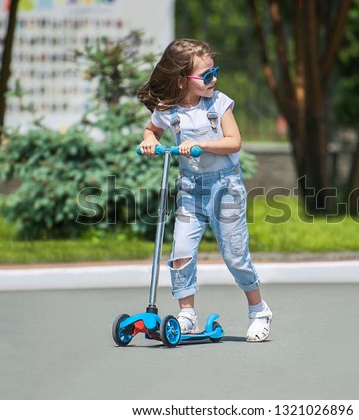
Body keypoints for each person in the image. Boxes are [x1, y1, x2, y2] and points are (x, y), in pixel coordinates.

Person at [137, 38, 273, 342]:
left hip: (225, 189)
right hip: (190, 191)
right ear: (181, 79)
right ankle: (187, 315)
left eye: (215, 72)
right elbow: (152, 129)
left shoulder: (218, 103)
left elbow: (234, 142)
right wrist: (150, 140)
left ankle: (259, 310)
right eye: (206, 75)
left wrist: (202, 145)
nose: (213, 79)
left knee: (235, 255)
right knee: (182, 252)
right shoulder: (167, 109)